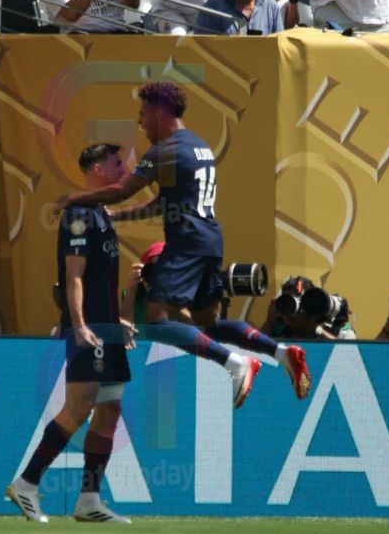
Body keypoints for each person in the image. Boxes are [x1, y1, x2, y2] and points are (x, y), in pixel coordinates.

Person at [56, 81, 313, 408]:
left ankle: (237, 363)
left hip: (187, 243)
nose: (140, 122)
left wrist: (74, 197)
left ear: (160, 111)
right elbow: (160, 204)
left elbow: (122, 188)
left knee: (158, 323)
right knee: (208, 325)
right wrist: (116, 217)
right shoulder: (197, 145)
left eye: (143, 114)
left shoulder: (165, 150)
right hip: (209, 241)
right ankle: (281, 352)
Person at [6, 144, 135, 525]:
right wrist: (79, 325)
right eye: (116, 165)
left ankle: (89, 500)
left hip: (108, 329)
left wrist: (120, 320)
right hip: (90, 329)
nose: (122, 170)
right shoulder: (78, 214)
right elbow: (73, 276)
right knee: (79, 407)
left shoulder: (101, 212)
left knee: (109, 410)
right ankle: (27, 483)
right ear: (97, 168)